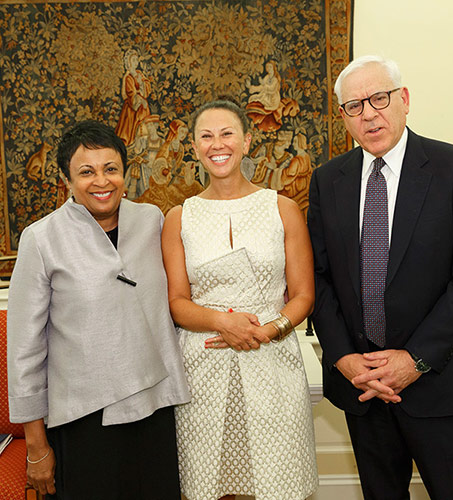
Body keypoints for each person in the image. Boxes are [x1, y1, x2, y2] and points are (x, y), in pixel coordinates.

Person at [307, 55, 453, 500]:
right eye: (355, 105)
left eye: (379, 98)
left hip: (441, 385)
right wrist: (343, 358)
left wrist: (415, 360)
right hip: (365, 390)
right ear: (343, 118)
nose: (369, 113)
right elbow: (318, 277)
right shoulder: (327, 180)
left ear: (404, 99)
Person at [7, 120, 190, 499]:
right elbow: (25, 351)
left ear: (126, 173)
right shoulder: (41, 238)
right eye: (86, 172)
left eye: (111, 169)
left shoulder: (152, 220)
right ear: (66, 180)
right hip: (84, 419)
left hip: (155, 407)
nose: (101, 181)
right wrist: (37, 447)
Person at [162, 99, 318, 500]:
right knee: (211, 482)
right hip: (203, 364)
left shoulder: (282, 208)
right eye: (206, 136)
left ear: (247, 141)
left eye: (227, 133)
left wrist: (270, 330)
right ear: (195, 147)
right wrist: (221, 322)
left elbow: (303, 295)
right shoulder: (179, 217)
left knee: (277, 482)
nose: (218, 144)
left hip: (272, 360)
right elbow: (177, 301)